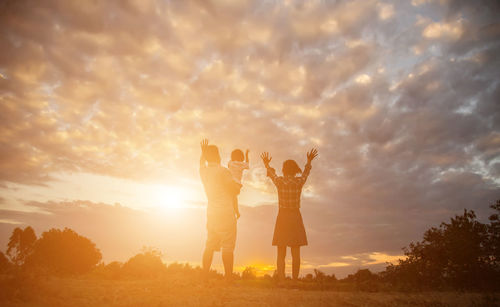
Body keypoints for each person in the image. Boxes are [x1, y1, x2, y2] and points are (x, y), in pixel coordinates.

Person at [260, 148, 318, 281]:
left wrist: (266, 164)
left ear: (284, 170)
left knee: (281, 252)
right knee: (295, 251)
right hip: (295, 217)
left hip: (282, 217)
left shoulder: (280, 181)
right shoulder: (298, 182)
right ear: (294, 170)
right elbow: (305, 174)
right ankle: (295, 280)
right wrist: (308, 161)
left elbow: (271, 174)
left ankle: (281, 280)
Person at [199, 139, 241, 280]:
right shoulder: (224, 171)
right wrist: (238, 185)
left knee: (210, 244)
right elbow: (234, 190)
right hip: (226, 212)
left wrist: (202, 153)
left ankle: (204, 274)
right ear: (218, 156)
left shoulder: (203, 171)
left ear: (206, 157)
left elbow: (201, 163)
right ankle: (228, 277)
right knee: (228, 246)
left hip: (211, 212)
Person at [228, 148, 249, 219]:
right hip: (237, 185)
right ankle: (236, 212)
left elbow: (228, 164)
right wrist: (246, 155)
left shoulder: (230, 163)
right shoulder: (242, 164)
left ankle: (235, 211)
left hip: (230, 183)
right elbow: (247, 165)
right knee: (234, 197)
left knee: (232, 198)